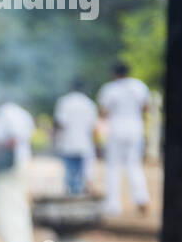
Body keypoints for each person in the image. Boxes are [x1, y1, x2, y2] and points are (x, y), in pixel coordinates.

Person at [97, 61, 151, 216]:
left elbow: (104, 112)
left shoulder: (109, 89)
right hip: (135, 128)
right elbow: (145, 107)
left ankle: (113, 205)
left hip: (116, 129)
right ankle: (141, 198)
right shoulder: (139, 86)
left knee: (113, 167)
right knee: (134, 164)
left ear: (114, 73)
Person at [0, 98, 35, 242]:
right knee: (19, 201)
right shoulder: (23, 114)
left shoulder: (4, 113)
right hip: (22, 161)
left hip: (8, 164)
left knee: (7, 202)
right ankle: (21, 240)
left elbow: (10, 139)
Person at [53, 79, 98, 195]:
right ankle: (78, 194)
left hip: (67, 143)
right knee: (81, 173)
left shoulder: (64, 102)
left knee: (69, 172)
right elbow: (93, 127)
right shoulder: (89, 104)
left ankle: (70, 194)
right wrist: (95, 144)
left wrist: (55, 139)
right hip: (84, 143)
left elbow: (60, 123)